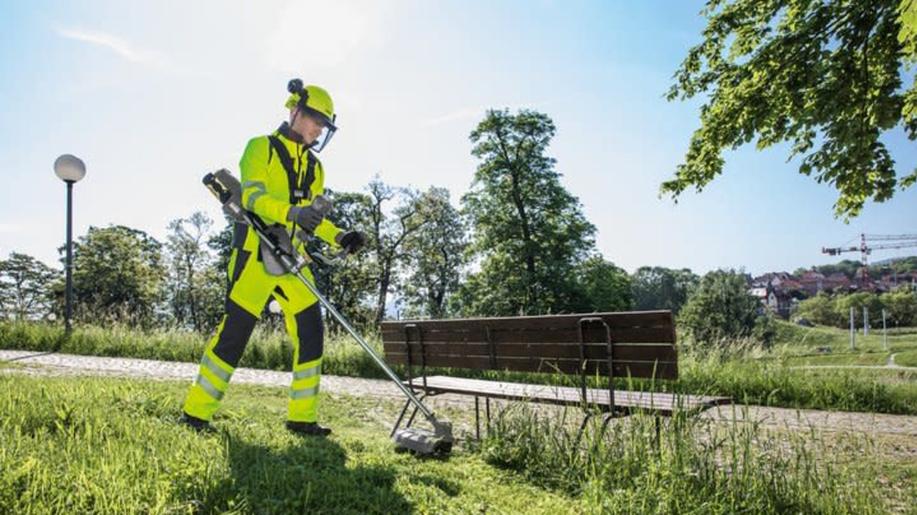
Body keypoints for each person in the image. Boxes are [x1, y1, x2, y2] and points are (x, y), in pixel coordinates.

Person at [179, 80, 365, 436]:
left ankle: (302, 418)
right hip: (256, 253)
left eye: (324, 125)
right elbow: (252, 198)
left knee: (312, 332)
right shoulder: (260, 148)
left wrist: (339, 235)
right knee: (234, 335)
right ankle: (196, 414)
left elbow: (315, 218)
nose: (318, 129)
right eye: (315, 120)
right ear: (295, 111)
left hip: (294, 259)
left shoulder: (315, 168)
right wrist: (292, 213)